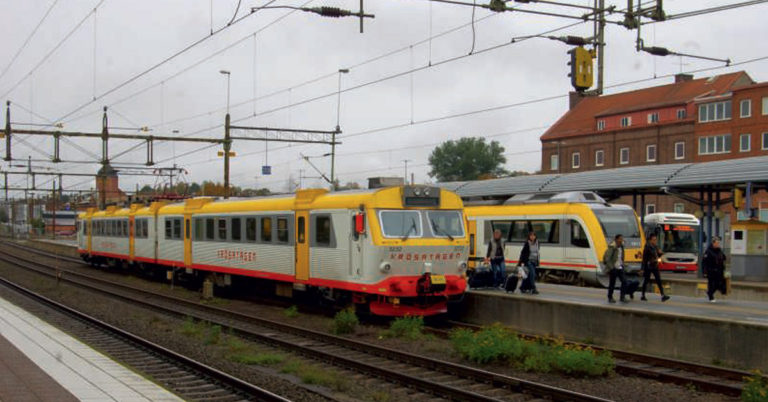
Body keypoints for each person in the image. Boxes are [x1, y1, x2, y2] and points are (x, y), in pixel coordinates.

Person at [641, 233, 670, 302]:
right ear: (650, 240)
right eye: (654, 240)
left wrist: (660, 253)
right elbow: (644, 259)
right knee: (646, 281)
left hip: (655, 265)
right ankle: (643, 295)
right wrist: (642, 268)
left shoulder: (655, 246)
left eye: (655, 240)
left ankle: (663, 295)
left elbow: (658, 255)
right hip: (648, 266)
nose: (655, 241)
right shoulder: (647, 247)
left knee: (658, 280)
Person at [603, 234, 628, 303]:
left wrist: (623, 264)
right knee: (612, 283)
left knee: (624, 281)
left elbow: (621, 257)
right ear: (616, 239)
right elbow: (607, 258)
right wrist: (611, 268)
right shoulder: (612, 247)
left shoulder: (622, 247)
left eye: (622, 239)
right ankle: (610, 297)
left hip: (620, 267)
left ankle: (622, 297)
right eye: (620, 239)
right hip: (613, 268)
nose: (621, 240)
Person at [703, 236, 727, 303]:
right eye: (716, 243)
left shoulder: (719, 251)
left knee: (719, 283)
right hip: (711, 271)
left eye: (718, 243)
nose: (717, 244)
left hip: (719, 270)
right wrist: (705, 272)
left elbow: (724, 257)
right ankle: (711, 296)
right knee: (711, 284)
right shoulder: (708, 251)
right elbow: (704, 262)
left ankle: (710, 293)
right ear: (713, 243)